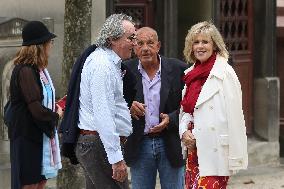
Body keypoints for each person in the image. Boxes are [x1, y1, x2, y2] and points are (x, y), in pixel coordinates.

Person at [179, 21, 248, 189]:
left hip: (215, 152)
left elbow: (235, 117)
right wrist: (184, 132)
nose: (200, 46)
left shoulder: (225, 73)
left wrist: (236, 158)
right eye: (196, 42)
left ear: (215, 45)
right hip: (194, 150)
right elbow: (187, 112)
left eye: (205, 42)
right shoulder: (190, 74)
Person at [74, 14, 136, 189]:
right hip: (98, 144)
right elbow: (104, 114)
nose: (134, 43)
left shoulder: (107, 62)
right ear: (112, 39)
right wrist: (116, 159)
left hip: (97, 143)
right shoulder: (103, 65)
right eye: (130, 38)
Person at [123, 27, 188, 189]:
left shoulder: (179, 69)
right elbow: (113, 102)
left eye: (150, 43)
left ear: (158, 46)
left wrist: (171, 119)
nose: (145, 48)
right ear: (134, 47)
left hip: (170, 142)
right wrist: (128, 106)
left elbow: (189, 105)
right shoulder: (124, 70)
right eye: (140, 43)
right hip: (140, 143)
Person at [8, 21, 64, 189]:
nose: (51, 46)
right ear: (40, 46)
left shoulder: (38, 70)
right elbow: (35, 107)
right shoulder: (25, 70)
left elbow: (38, 100)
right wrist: (56, 115)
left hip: (38, 135)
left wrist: (53, 106)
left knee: (41, 182)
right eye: (49, 42)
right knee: (30, 184)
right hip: (27, 137)